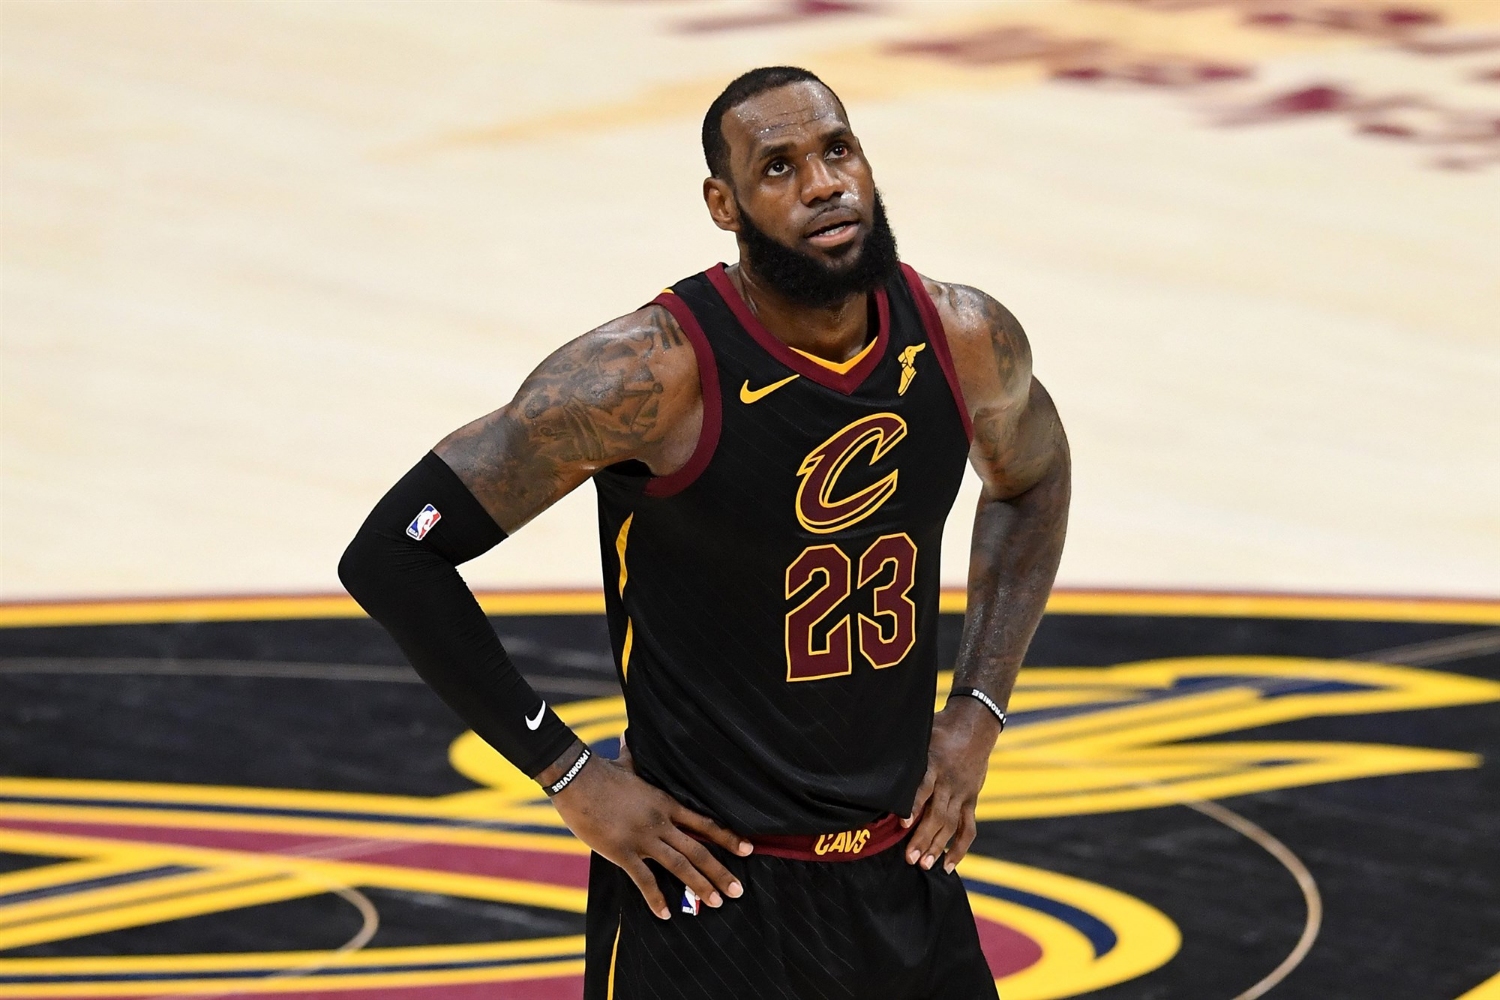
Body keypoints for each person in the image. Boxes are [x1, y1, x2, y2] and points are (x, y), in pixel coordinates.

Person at [340, 65, 1069, 1000]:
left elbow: (1035, 478)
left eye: (836, 149)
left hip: (902, 871)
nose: (822, 184)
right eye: (778, 167)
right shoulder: (648, 375)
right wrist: (570, 776)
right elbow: (396, 551)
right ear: (723, 205)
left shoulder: (964, 338)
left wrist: (980, 710)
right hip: (709, 896)